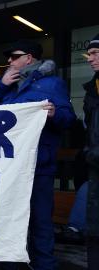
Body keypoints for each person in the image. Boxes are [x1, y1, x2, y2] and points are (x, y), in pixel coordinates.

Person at [0, 40, 76, 269]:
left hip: (39, 166)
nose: (9, 61)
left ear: (29, 58)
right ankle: (8, 263)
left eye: (14, 56)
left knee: (41, 220)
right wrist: (0, 85)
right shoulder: (7, 86)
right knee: (8, 218)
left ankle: (44, 265)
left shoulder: (53, 84)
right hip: (10, 167)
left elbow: (68, 119)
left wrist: (54, 114)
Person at [82, 33, 99, 269]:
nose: (89, 58)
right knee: (94, 231)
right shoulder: (92, 90)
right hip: (95, 168)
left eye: (95, 53)